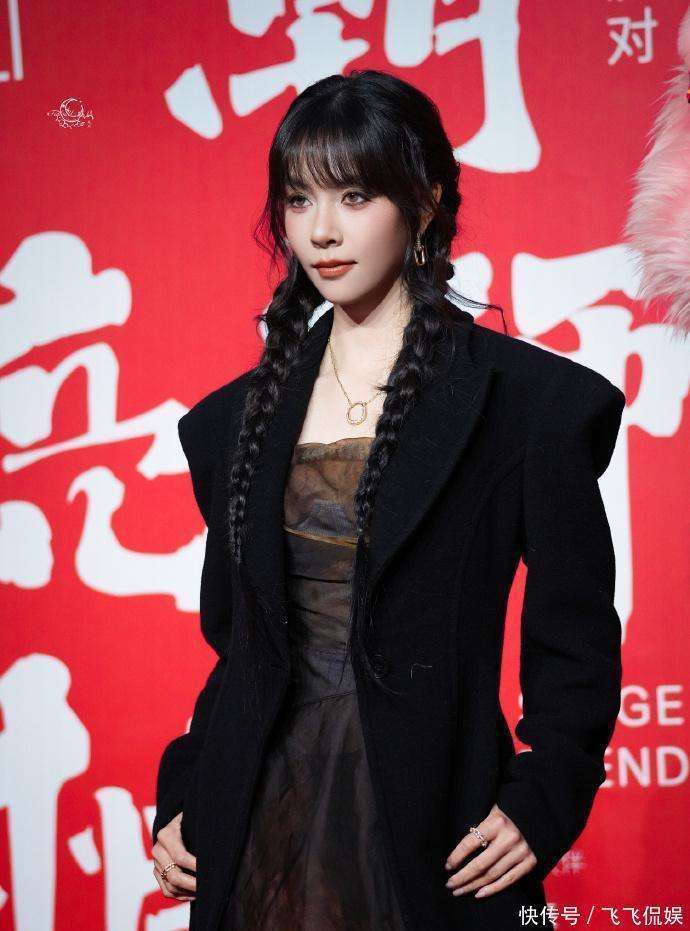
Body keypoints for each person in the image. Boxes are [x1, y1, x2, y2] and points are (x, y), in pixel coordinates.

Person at [151, 69, 626, 930]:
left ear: (426, 198)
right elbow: (239, 646)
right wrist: (186, 789)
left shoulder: (531, 406)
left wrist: (545, 792)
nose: (321, 231)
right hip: (255, 826)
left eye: (355, 195)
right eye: (299, 199)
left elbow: (576, 640)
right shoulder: (231, 424)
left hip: (435, 826)